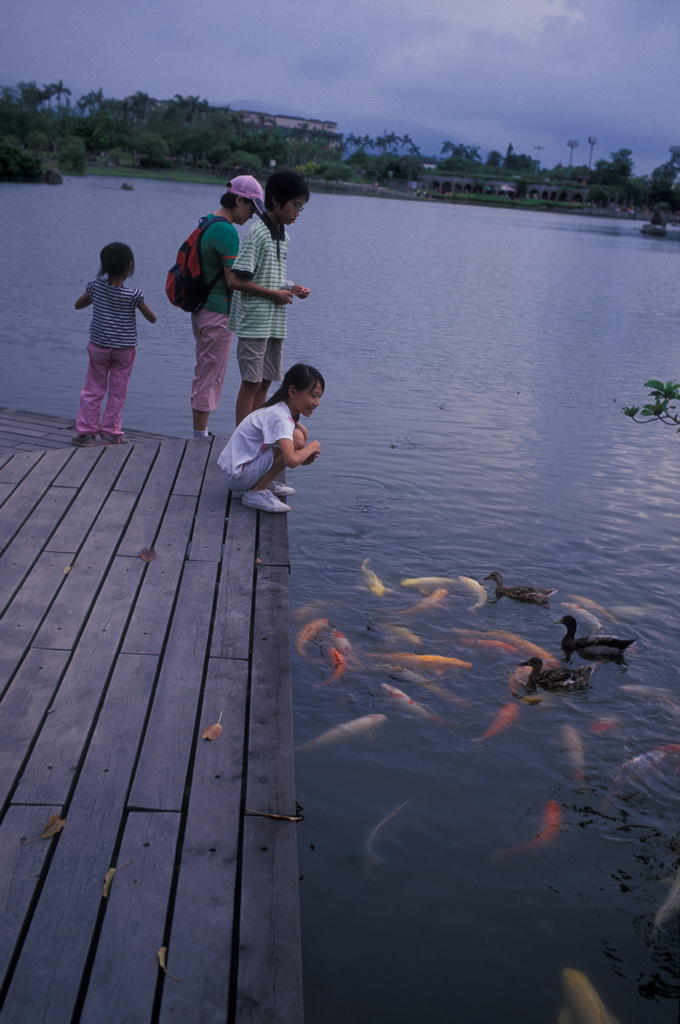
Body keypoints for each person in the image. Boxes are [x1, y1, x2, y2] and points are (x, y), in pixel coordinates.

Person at [228, 170, 311, 425]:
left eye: (302, 208)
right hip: (255, 321)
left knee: (265, 381)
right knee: (251, 382)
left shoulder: (283, 236)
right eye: (295, 206)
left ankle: (256, 432)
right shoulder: (258, 232)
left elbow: (268, 274)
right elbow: (236, 280)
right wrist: (275, 295)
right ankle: (241, 439)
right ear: (276, 200)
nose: (297, 212)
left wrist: (292, 287)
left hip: (274, 323)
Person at [189, 175, 265, 438]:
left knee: (205, 370)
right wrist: (271, 289)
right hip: (218, 312)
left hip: (202, 310)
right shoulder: (227, 231)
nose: (252, 216)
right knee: (210, 374)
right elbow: (234, 280)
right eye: (251, 209)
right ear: (239, 200)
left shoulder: (208, 222)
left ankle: (201, 431)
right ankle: (199, 436)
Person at [72, 242, 156, 446]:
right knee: (118, 392)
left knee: (93, 388)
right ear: (129, 265)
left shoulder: (95, 287)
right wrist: (138, 305)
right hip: (124, 350)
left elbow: (78, 304)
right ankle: (110, 433)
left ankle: (86, 433)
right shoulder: (134, 295)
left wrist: (97, 299)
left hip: (99, 346)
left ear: (105, 266)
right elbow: (152, 318)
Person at [217, 363, 324, 513]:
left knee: (300, 432)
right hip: (237, 475)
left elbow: (295, 455)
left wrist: (304, 454)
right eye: (313, 396)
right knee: (298, 438)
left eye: (319, 397)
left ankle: (263, 482)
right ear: (293, 392)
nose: (317, 403)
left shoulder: (280, 409)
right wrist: (311, 448)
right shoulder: (280, 418)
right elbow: (291, 460)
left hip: (237, 470)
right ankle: (256, 492)